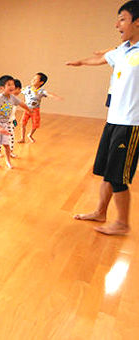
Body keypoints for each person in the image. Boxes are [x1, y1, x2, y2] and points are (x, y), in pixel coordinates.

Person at [66, 0, 139, 235]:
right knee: (107, 170)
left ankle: (123, 224)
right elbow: (101, 59)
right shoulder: (122, 51)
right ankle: (100, 211)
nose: (117, 24)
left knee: (118, 176)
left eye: (122, 19)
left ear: (137, 23)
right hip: (114, 120)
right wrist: (81, 62)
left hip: (131, 123)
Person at [17, 72, 62, 143]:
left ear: (41, 82)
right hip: (27, 109)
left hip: (35, 110)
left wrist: (55, 97)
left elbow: (48, 93)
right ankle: (22, 138)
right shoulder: (27, 88)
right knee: (22, 123)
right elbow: (19, 90)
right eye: (33, 78)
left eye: (35, 79)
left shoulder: (41, 91)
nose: (33, 80)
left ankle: (30, 135)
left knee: (35, 125)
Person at [0, 79, 22, 158]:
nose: (19, 91)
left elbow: (12, 112)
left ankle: (10, 152)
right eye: (17, 89)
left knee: (11, 137)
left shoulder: (14, 99)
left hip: (10, 122)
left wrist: (13, 120)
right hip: (2, 122)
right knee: (0, 137)